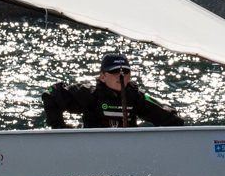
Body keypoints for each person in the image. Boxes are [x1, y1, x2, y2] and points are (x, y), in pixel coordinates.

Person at [40, 52, 184, 129]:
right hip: (92, 150)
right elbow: (51, 94)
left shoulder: (135, 97)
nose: (121, 76)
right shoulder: (88, 93)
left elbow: (167, 116)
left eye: (125, 72)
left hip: (127, 152)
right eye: (115, 72)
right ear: (102, 76)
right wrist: (60, 128)